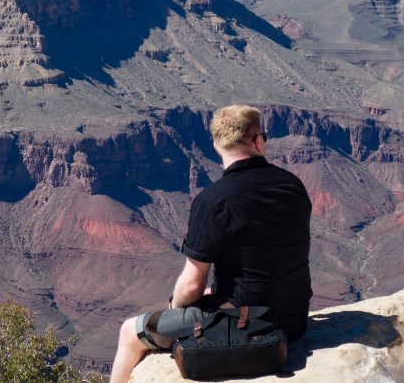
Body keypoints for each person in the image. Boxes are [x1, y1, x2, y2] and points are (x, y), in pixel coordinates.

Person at [109, 104, 312, 383]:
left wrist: (175, 307)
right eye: (263, 135)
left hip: (250, 326)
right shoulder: (292, 185)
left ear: (217, 144)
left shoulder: (214, 201)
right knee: (206, 292)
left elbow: (190, 286)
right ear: (257, 141)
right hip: (294, 320)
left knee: (130, 332)